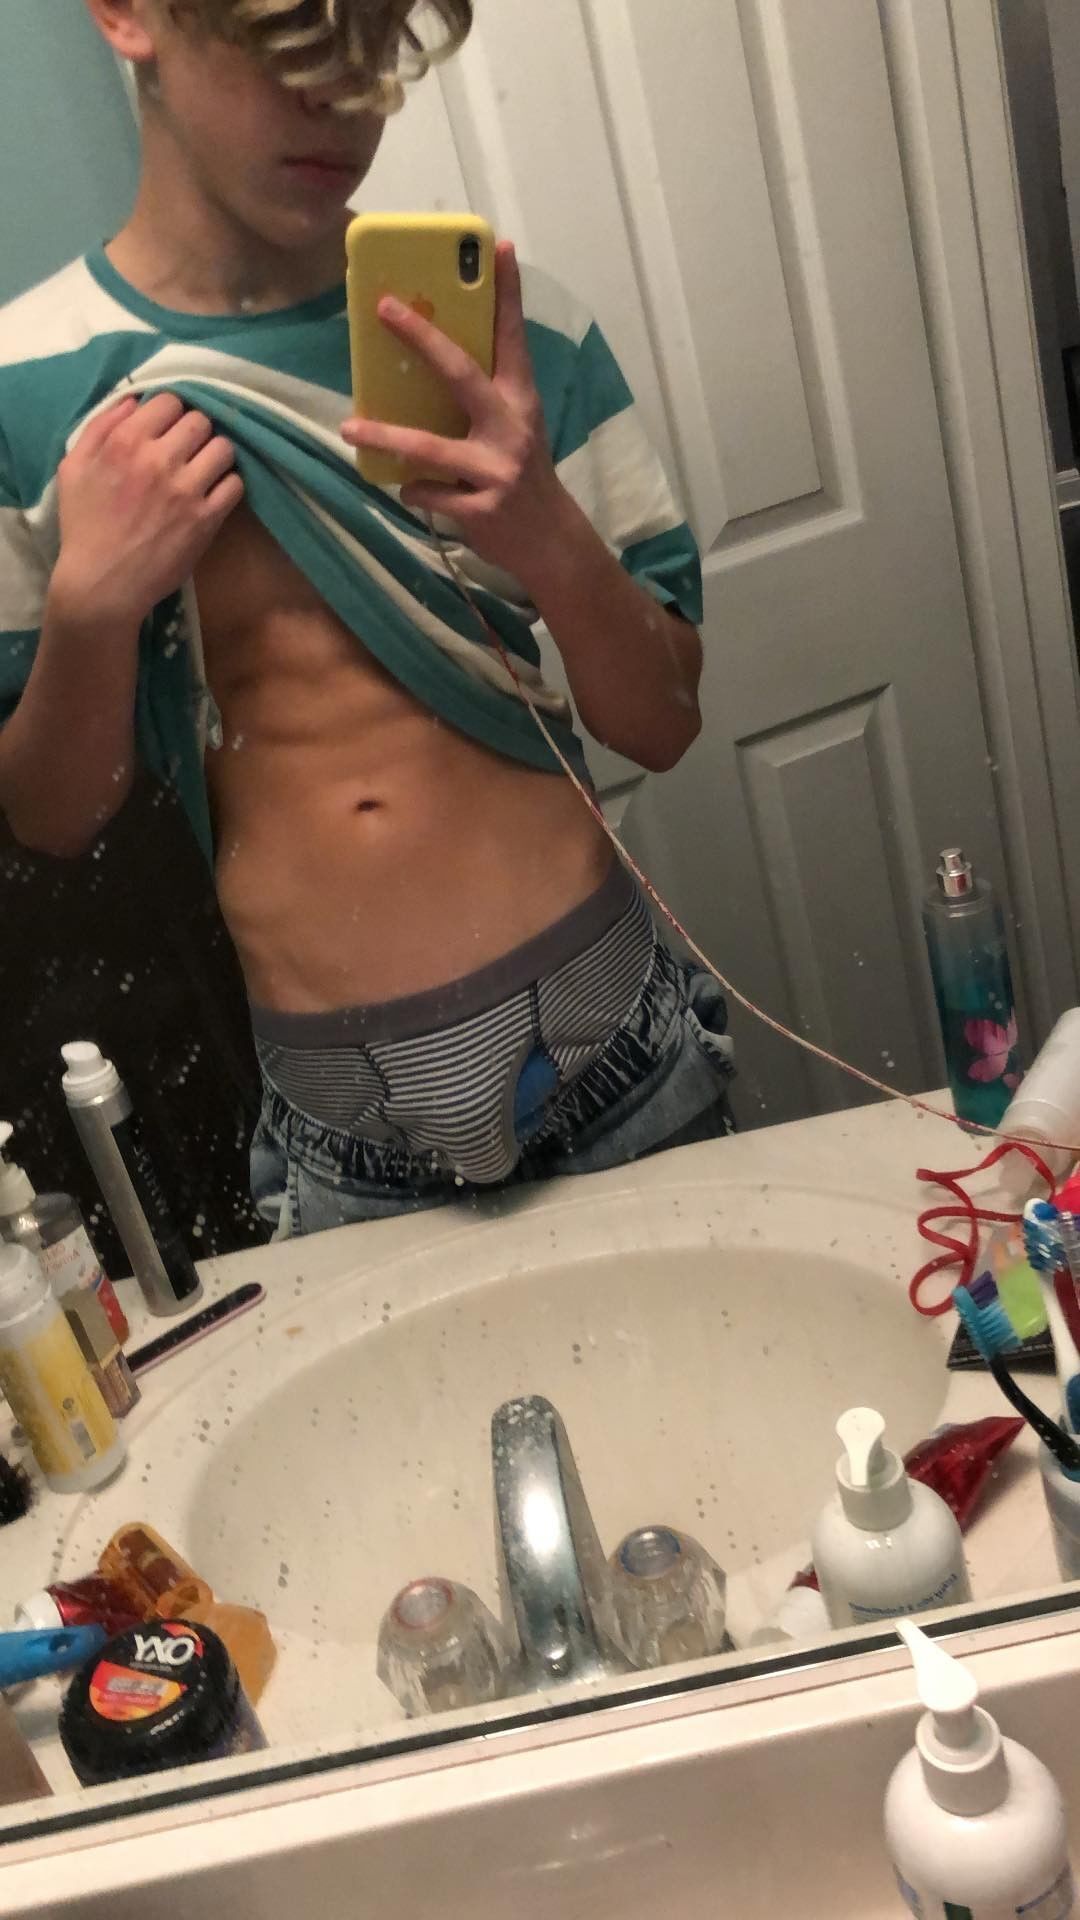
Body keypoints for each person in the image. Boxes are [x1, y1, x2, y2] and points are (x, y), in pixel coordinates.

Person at [0, 0, 734, 1235]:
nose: (340, 103)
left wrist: (545, 530)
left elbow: (662, 724)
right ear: (128, 14)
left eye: (372, 44)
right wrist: (90, 612)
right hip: (348, 1142)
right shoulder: (30, 389)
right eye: (284, 40)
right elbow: (53, 817)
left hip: (621, 1056)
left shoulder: (511, 341)